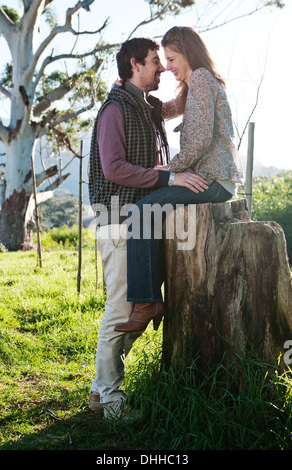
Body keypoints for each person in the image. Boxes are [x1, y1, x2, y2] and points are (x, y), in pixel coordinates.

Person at [88, 37, 203, 420]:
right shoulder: (114, 111)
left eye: (164, 62)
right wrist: (170, 177)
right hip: (118, 221)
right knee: (122, 307)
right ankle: (110, 398)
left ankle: (99, 388)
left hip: (143, 223)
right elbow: (114, 168)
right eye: (156, 61)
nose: (161, 68)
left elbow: (178, 105)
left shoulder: (148, 106)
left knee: (143, 304)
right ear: (135, 65)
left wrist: (195, 76)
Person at [114, 26, 243, 334]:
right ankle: (150, 295)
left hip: (213, 179)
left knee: (141, 212)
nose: (167, 67)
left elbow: (198, 139)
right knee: (149, 214)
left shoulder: (200, 78)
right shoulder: (199, 83)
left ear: (188, 53)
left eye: (171, 59)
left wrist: (169, 173)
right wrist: (128, 92)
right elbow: (167, 111)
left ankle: (147, 302)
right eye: (163, 60)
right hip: (217, 179)